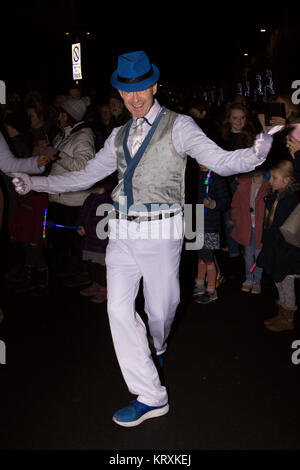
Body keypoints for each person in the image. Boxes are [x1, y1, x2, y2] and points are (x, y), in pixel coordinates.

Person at [11, 50, 273, 427]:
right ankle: (150, 395)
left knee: (161, 311)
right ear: (119, 92)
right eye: (125, 91)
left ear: (153, 86)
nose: (133, 99)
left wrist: (254, 154)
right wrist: (35, 182)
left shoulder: (179, 126)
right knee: (117, 311)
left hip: (162, 229)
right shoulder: (117, 134)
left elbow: (219, 161)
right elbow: (83, 176)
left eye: (140, 89)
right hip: (120, 229)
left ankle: (158, 346)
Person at [256, 160, 300, 331]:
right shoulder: (277, 196)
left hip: (287, 253)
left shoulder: (289, 201)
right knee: (279, 283)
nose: (270, 181)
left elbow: (283, 231)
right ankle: (282, 314)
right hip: (277, 250)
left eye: (274, 178)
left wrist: (275, 250)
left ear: (287, 181)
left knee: (286, 284)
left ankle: (287, 319)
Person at [219, 102, 257, 258]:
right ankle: (233, 251)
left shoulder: (250, 136)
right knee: (230, 219)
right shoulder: (221, 137)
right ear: (229, 119)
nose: (239, 121)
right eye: (235, 118)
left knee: (246, 217)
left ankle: (247, 251)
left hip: (246, 181)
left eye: (242, 118)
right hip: (227, 182)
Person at [193, 165, 230, 303]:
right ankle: (200, 283)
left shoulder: (216, 177)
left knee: (208, 257)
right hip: (194, 220)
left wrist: (212, 204)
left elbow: (225, 201)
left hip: (210, 224)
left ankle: (211, 290)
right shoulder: (193, 175)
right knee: (200, 256)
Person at [230, 170, 270, 294]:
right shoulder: (244, 183)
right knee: (248, 255)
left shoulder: (268, 185)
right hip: (246, 226)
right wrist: (237, 219)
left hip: (261, 228)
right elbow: (235, 204)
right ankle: (249, 279)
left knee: (259, 256)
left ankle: (257, 281)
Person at [76, 176, 115, 303]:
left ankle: (105, 289)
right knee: (91, 264)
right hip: (89, 240)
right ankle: (95, 284)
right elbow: (83, 214)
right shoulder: (90, 198)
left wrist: (87, 228)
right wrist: (79, 225)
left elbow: (105, 224)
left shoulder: (109, 201)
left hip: (101, 243)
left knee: (102, 267)